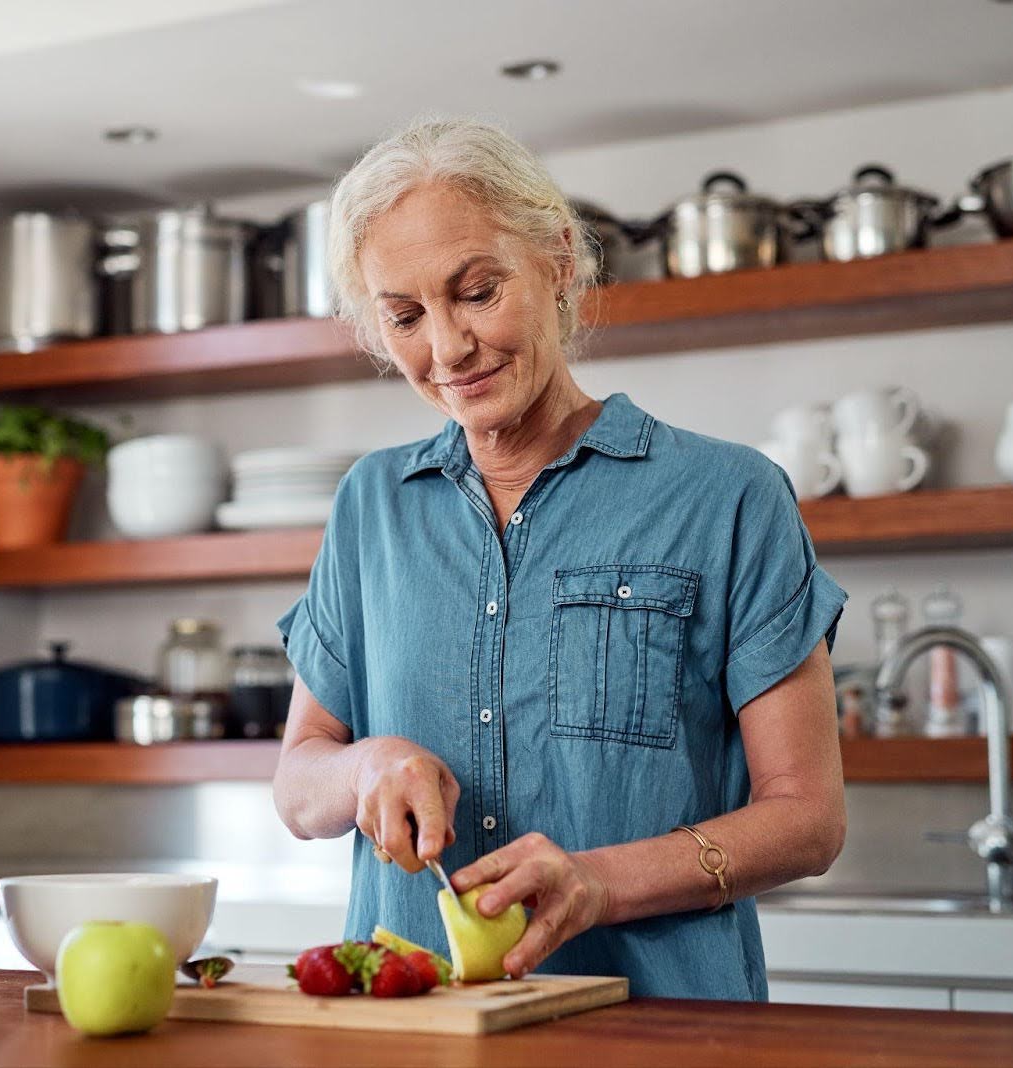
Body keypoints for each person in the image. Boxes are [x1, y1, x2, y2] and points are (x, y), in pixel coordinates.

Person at [271, 118, 849, 1000]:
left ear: (559, 260)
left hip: (661, 1034)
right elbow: (299, 783)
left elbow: (808, 820)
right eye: (405, 317)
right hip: (418, 1030)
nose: (448, 349)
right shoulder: (370, 506)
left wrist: (599, 883)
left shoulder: (730, 497)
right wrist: (365, 765)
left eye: (477, 291)